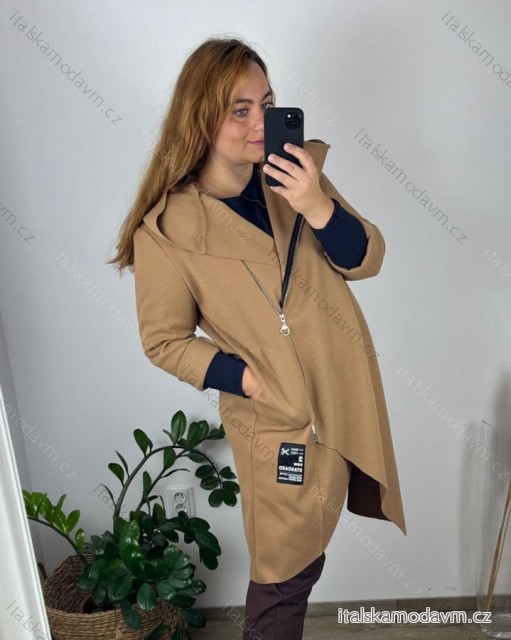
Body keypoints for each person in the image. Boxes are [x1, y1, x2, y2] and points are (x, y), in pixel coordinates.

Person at [109, 36, 406, 640]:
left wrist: (317, 205)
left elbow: (366, 258)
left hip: (342, 393)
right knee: (282, 568)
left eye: (266, 105)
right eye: (239, 110)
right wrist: (242, 378)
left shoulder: (295, 178)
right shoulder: (167, 229)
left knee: (306, 559)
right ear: (201, 118)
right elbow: (164, 340)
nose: (259, 123)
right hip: (276, 419)